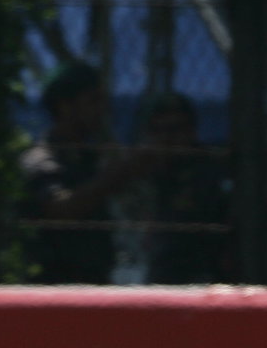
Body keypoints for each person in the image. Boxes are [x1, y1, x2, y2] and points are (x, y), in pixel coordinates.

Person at [19, 61, 143, 284]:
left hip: (95, 281)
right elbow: (60, 208)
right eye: (92, 101)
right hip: (53, 287)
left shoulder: (89, 158)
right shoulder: (42, 159)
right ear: (65, 106)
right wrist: (116, 175)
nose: (102, 110)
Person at [140, 92, 234, 284]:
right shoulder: (145, 172)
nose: (167, 139)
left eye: (175, 129)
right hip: (160, 278)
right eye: (158, 130)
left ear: (192, 131)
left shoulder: (211, 171)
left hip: (203, 279)